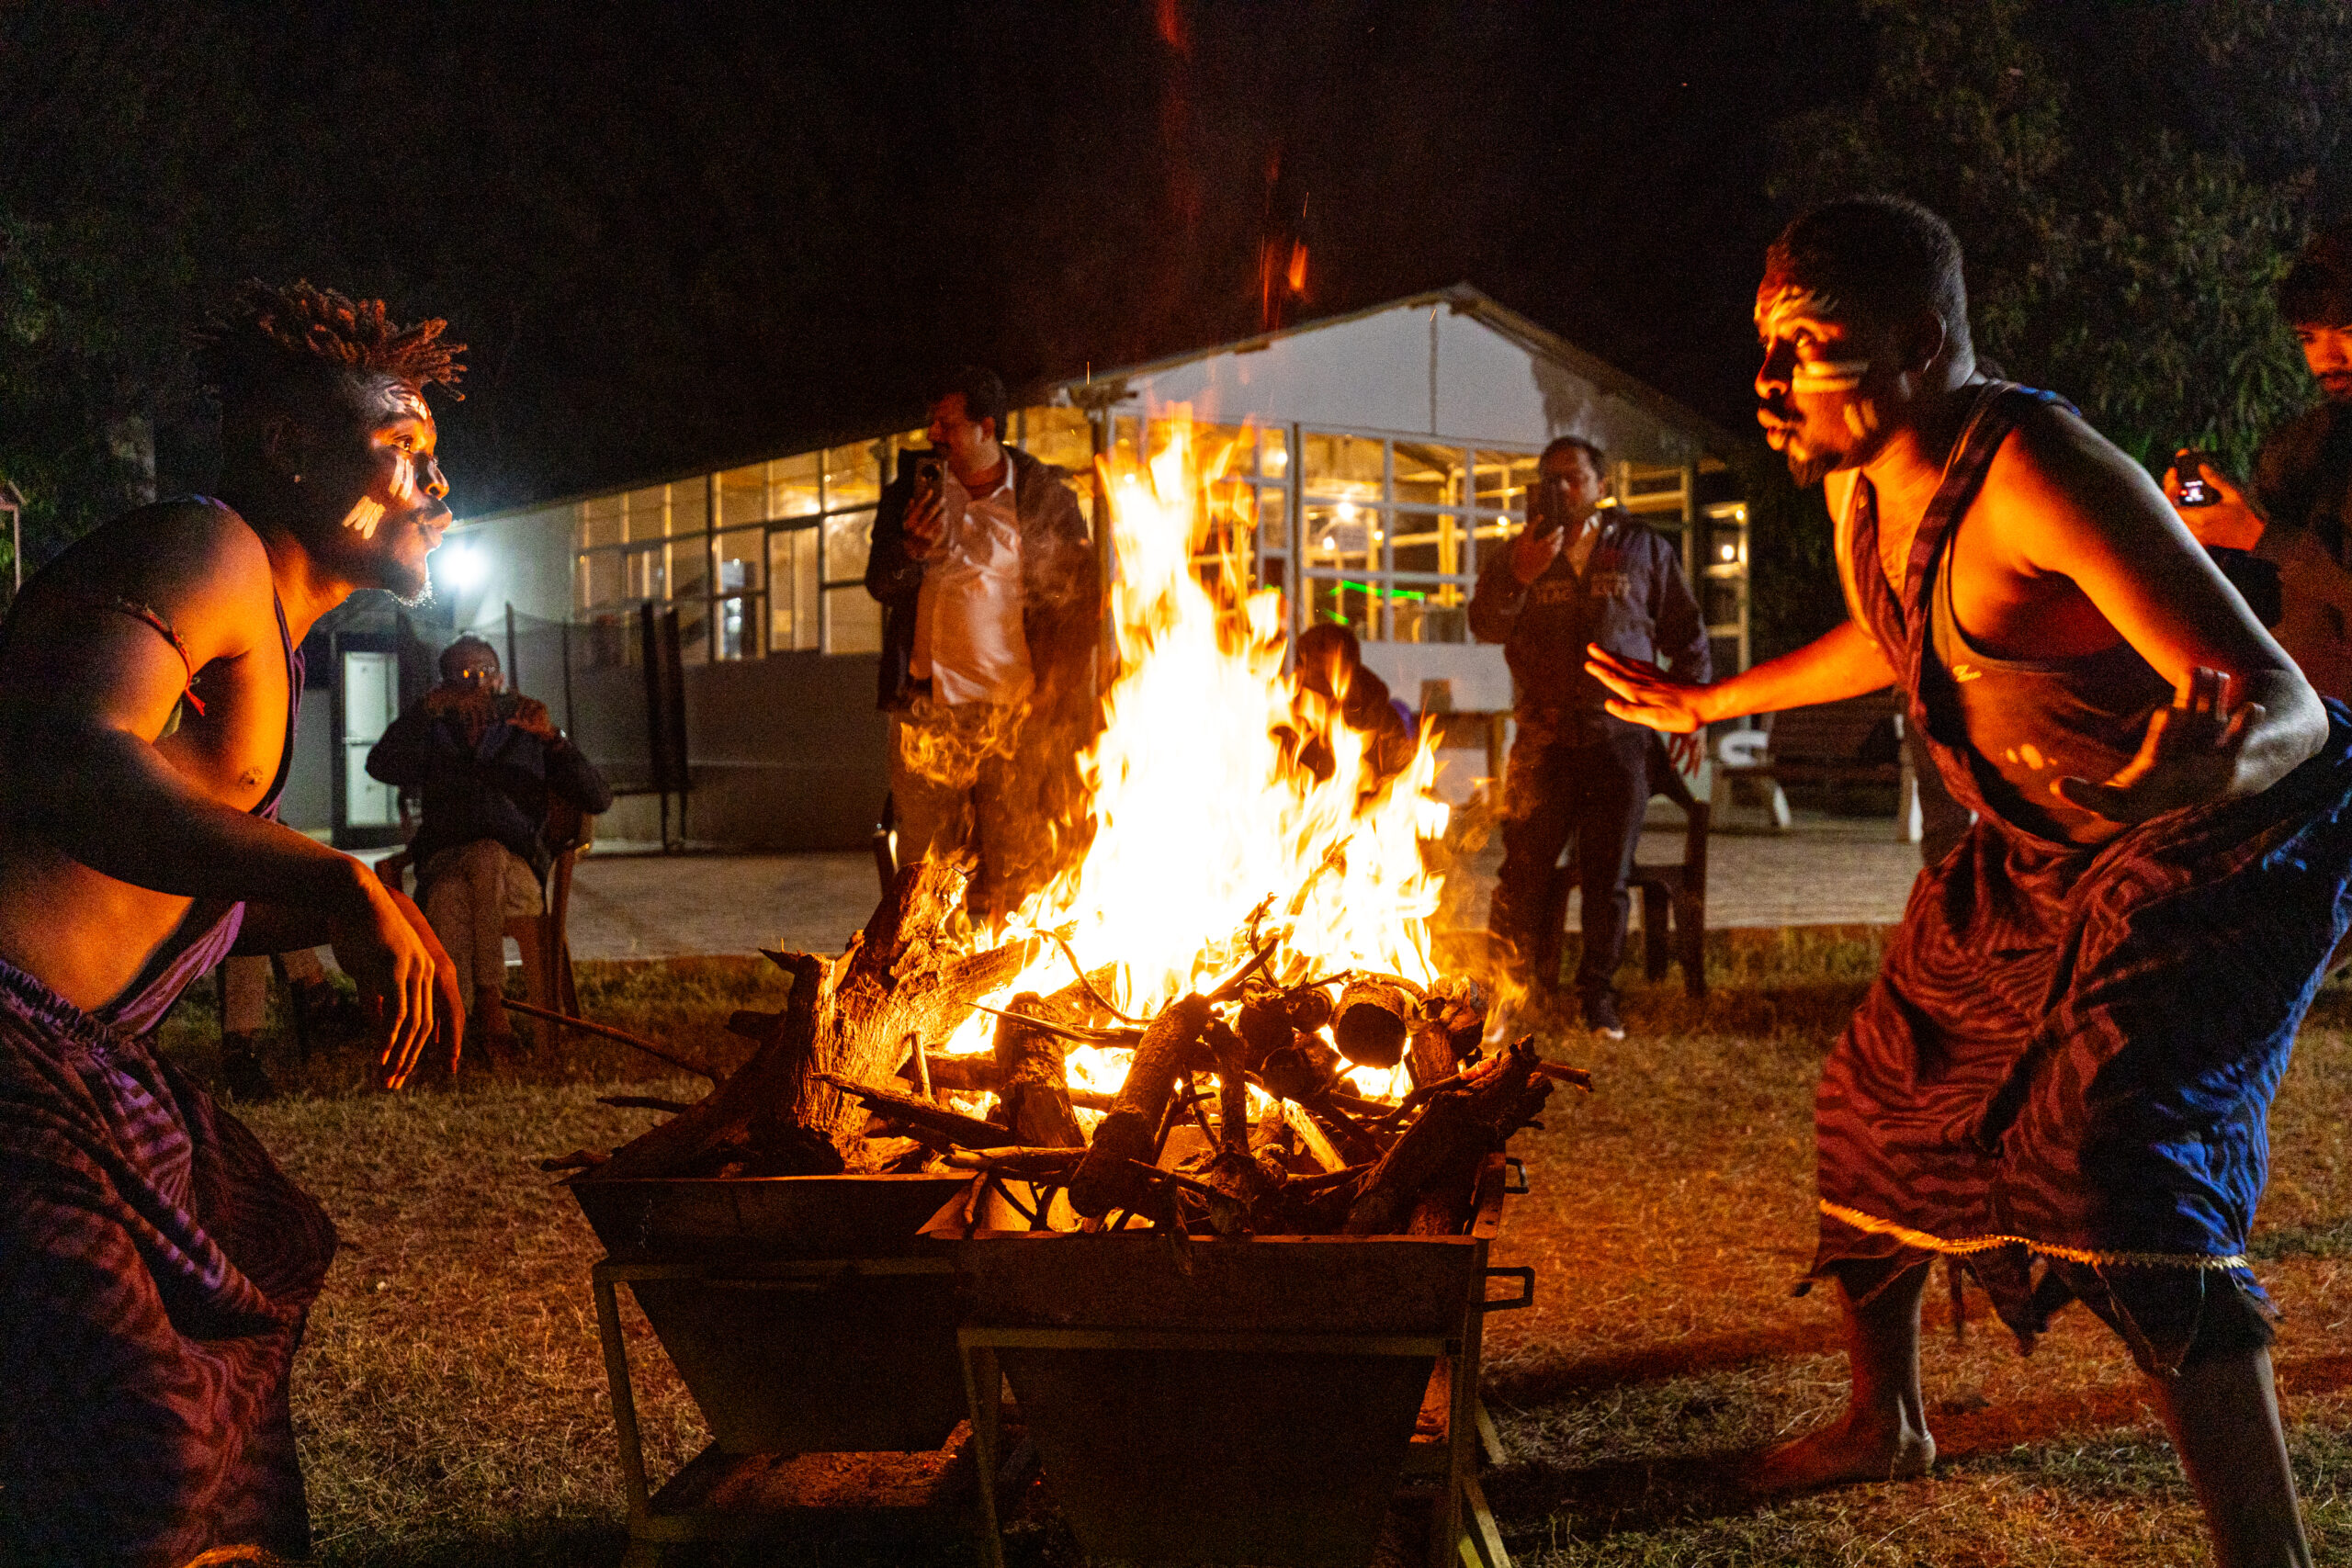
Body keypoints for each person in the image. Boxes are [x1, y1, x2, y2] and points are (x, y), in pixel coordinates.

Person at [1590, 195, 2352, 1567]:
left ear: (1924, 343)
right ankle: (1887, 1419)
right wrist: (1707, 704)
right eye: (1767, 339)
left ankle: (2270, 1552)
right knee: (1878, 1089)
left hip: (2223, 835)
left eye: (1813, 343)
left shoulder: (2044, 471)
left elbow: (2288, 706)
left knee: (2120, 1157)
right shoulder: (1858, 480)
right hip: (2044, 846)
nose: (1770, 378)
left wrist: (2196, 777)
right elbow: (1900, 636)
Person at [0, 279, 468, 1563]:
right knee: (136, 1439)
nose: (434, 485)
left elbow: (145, 876)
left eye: (435, 456)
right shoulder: (207, 549)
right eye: (404, 450)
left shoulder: (273, 630)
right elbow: (65, 762)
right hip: (12, 1050)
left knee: (211, 1448)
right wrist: (331, 879)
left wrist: (341, 916)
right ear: (289, 447)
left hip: (69, 1061)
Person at [1468, 434, 1709, 1038]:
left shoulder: (1641, 549)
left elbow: (1687, 633)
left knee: (1609, 877)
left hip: (1618, 738)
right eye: (1550, 478)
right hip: (1543, 741)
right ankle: (1503, 997)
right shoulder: (1519, 552)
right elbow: (1486, 623)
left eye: (1573, 477)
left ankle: (1597, 998)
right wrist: (1518, 577)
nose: (1562, 488)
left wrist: (1694, 707)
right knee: (1521, 874)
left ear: (1603, 485)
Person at [865, 367, 1100, 921]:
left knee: (1018, 866)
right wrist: (910, 552)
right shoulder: (911, 491)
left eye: (946, 423)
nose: (933, 435)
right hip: (926, 708)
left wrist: (1058, 694)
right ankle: (927, 989)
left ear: (986, 426)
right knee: (926, 877)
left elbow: (1080, 605)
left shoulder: (1043, 497)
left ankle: (1016, 987)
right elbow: (880, 582)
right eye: (931, 423)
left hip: (1014, 712)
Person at [366, 634, 612, 1053]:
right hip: (445, 860)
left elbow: (597, 797)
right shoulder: (433, 733)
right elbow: (381, 764)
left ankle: (464, 1015)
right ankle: (485, 1012)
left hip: (515, 871)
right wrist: (425, 712)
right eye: (463, 676)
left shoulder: (526, 730)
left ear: (501, 680)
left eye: (485, 672)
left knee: (464, 878)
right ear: (443, 685)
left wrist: (552, 736)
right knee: (448, 890)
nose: (477, 684)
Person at [2167, 216, 2352, 704]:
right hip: (2309, 727)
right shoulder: (2303, 444)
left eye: (2347, 331)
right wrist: (2204, 534)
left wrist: (2259, 535)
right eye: (2308, 338)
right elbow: (2260, 592)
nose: (2326, 358)